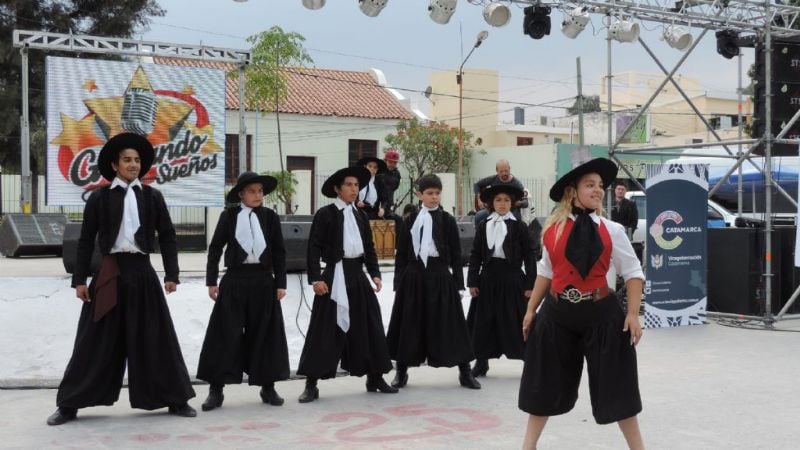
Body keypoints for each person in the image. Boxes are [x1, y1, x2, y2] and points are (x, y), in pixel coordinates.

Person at [47, 132, 196, 426]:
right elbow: (86, 240)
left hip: (142, 273)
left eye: (137, 160)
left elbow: (167, 236)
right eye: (127, 160)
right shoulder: (99, 198)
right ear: (115, 165)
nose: (133, 164)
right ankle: (69, 404)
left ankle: (176, 399)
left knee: (156, 338)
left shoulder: (152, 197)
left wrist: (172, 274)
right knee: (93, 341)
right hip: (109, 274)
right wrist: (79, 280)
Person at [518, 158, 645, 450]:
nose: (598, 190)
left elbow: (633, 272)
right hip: (557, 314)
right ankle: (528, 447)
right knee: (543, 383)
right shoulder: (552, 229)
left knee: (618, 386)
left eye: (600, 185)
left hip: (602, 314)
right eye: (590, 185)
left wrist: (633, 314)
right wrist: (531, 310)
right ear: (572, 192)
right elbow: (546, 272)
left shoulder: (612, 230)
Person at [296, 166, 397, 402]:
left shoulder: (361, 215)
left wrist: (375, 273)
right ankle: (311, 383)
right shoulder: (326, 214)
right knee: (323, 330)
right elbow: (313, 247)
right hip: (333, 276)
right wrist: (316, 279)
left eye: (356, 185)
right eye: (349, 185)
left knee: (370, 325)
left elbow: (369, 247)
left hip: (357, 275)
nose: (354, 189)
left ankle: (375, 377)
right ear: (337, 189)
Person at [196, 172, 290, 411]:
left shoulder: (270, 217)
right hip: (235, 280)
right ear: (241, 194)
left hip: (263, 281)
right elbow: (215, 248)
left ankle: (268, 387)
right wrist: (211, 281)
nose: (257, 195)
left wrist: (281, 283)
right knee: (225, 333)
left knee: (265, 333)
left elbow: (279, 251)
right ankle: (216, 390)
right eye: (252, 191)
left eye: (260, 191)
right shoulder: (228, 216)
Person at [387, 174, 481, 390]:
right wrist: (399, 282)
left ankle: (465, 372)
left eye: (437, 193)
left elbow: (456, 255)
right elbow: (402, 253)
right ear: (420, 194)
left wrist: (458, 283)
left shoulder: (447, 220)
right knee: (409, 324)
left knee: (453, 324)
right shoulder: (409, 220)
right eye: (429, 193)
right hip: (414, 276)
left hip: (440, 275)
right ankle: (401, 371)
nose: (434, 197)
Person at [466, 184, 536, 379]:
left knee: (517, 321)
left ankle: (529, 361)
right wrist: (473, 281)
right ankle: (481, 361)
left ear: (512, 203)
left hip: (512, 279)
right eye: (498, 200)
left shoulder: (519, 226)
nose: (502, 204)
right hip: (488, 279)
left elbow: (530, 255)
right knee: (484, 322)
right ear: (492, 203)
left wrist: (530, 284)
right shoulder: (483, 225)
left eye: (506, 200)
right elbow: (476, 254)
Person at [473, 159, 529, 225]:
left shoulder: (517, 184)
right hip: (493, 209)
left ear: (509, 169)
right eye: (501, 171)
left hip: (511, 211)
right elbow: (477, 185)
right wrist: (479, 199)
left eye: (506, 171)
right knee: (478, 216)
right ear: (497, 171)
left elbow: (526, 203)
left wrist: (517, 203)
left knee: (515, 220)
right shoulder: (493, 179)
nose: (504, 173)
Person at [377, 150, 402, 219]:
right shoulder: (379, 172)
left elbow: (395, 187)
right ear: (385, 161)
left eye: (395, 163)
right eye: (390, 162)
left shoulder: (397, 174)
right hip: (377, 205)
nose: (392, 165)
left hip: (389, 205)